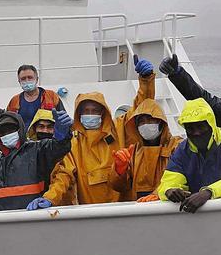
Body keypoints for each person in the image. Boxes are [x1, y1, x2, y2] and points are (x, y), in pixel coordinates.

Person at [42, 57, 157, 206]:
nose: (90, 114)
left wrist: (146, 80)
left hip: (126, 209)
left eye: (94, 110)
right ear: (79, 115)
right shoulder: (73, 144)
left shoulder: (119, 129)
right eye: (86, 111)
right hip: (92, 213)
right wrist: (50, 197)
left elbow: (142, 108)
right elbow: (64, 175)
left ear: (103, 113)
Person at [144, 98, 221, 212]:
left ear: (211, 124)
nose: (196, 132)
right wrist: (169, 191)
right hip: (202, 216)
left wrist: (208, 192)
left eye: (200, 126)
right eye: (190, 128)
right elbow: (169, 181)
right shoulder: (182, 150)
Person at [109, 66, 183, 201]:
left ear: (161, 122)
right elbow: (119, 187)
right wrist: (119, 170)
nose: (146, 124)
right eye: (141, 121)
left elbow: (181, 175)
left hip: (167, 206)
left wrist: (158, 193)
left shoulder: (176, 145)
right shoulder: (133, 152)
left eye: (151, 119)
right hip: (138, 209)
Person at [27, 109, 76, 206]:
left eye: (50, 127)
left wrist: (50, 198)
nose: (45, 131)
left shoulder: (65, 151)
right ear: (34, 129)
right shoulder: (28, 151)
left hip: (59, 205)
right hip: (32, 206)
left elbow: (63, 176)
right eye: (41, 127)